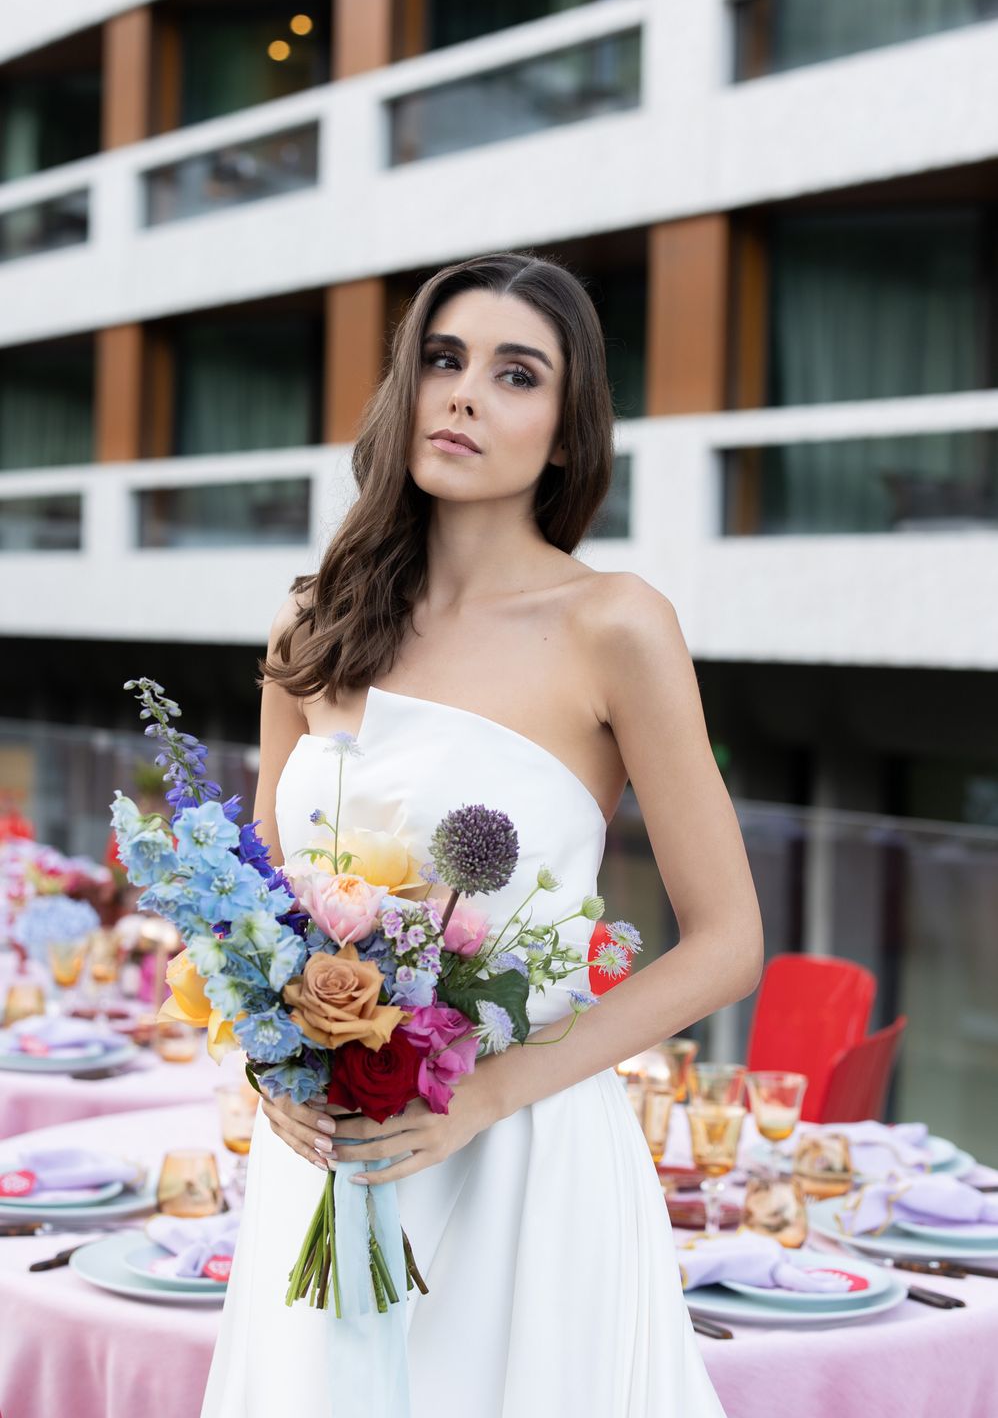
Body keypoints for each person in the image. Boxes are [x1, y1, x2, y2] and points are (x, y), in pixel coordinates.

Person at [200, 251, 763, 1417]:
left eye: (516, 375)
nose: (462, 393)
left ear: (564, 433)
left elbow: (725, 943)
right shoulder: (311, 619)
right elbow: (251, 905)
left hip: (522, 1159)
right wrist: (274, 1064)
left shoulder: (616, 625)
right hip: (330, 1156)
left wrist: (494, 1094)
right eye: (444, 360)